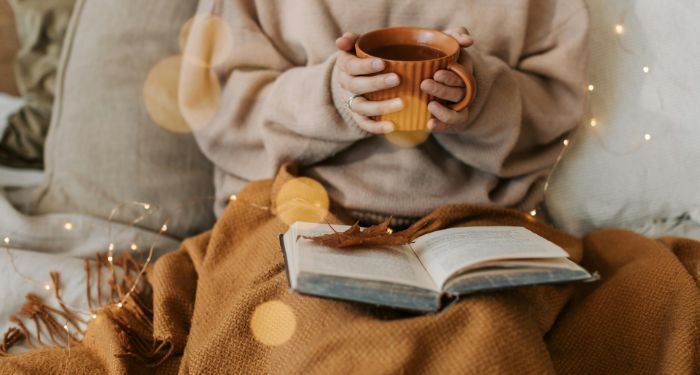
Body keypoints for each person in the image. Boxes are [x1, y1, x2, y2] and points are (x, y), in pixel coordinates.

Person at [189, 0, 589, 226]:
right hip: (290, 214)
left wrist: (479, 96)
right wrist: (331, 95)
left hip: (474, 222)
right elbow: (219, 107)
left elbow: (556, 107)